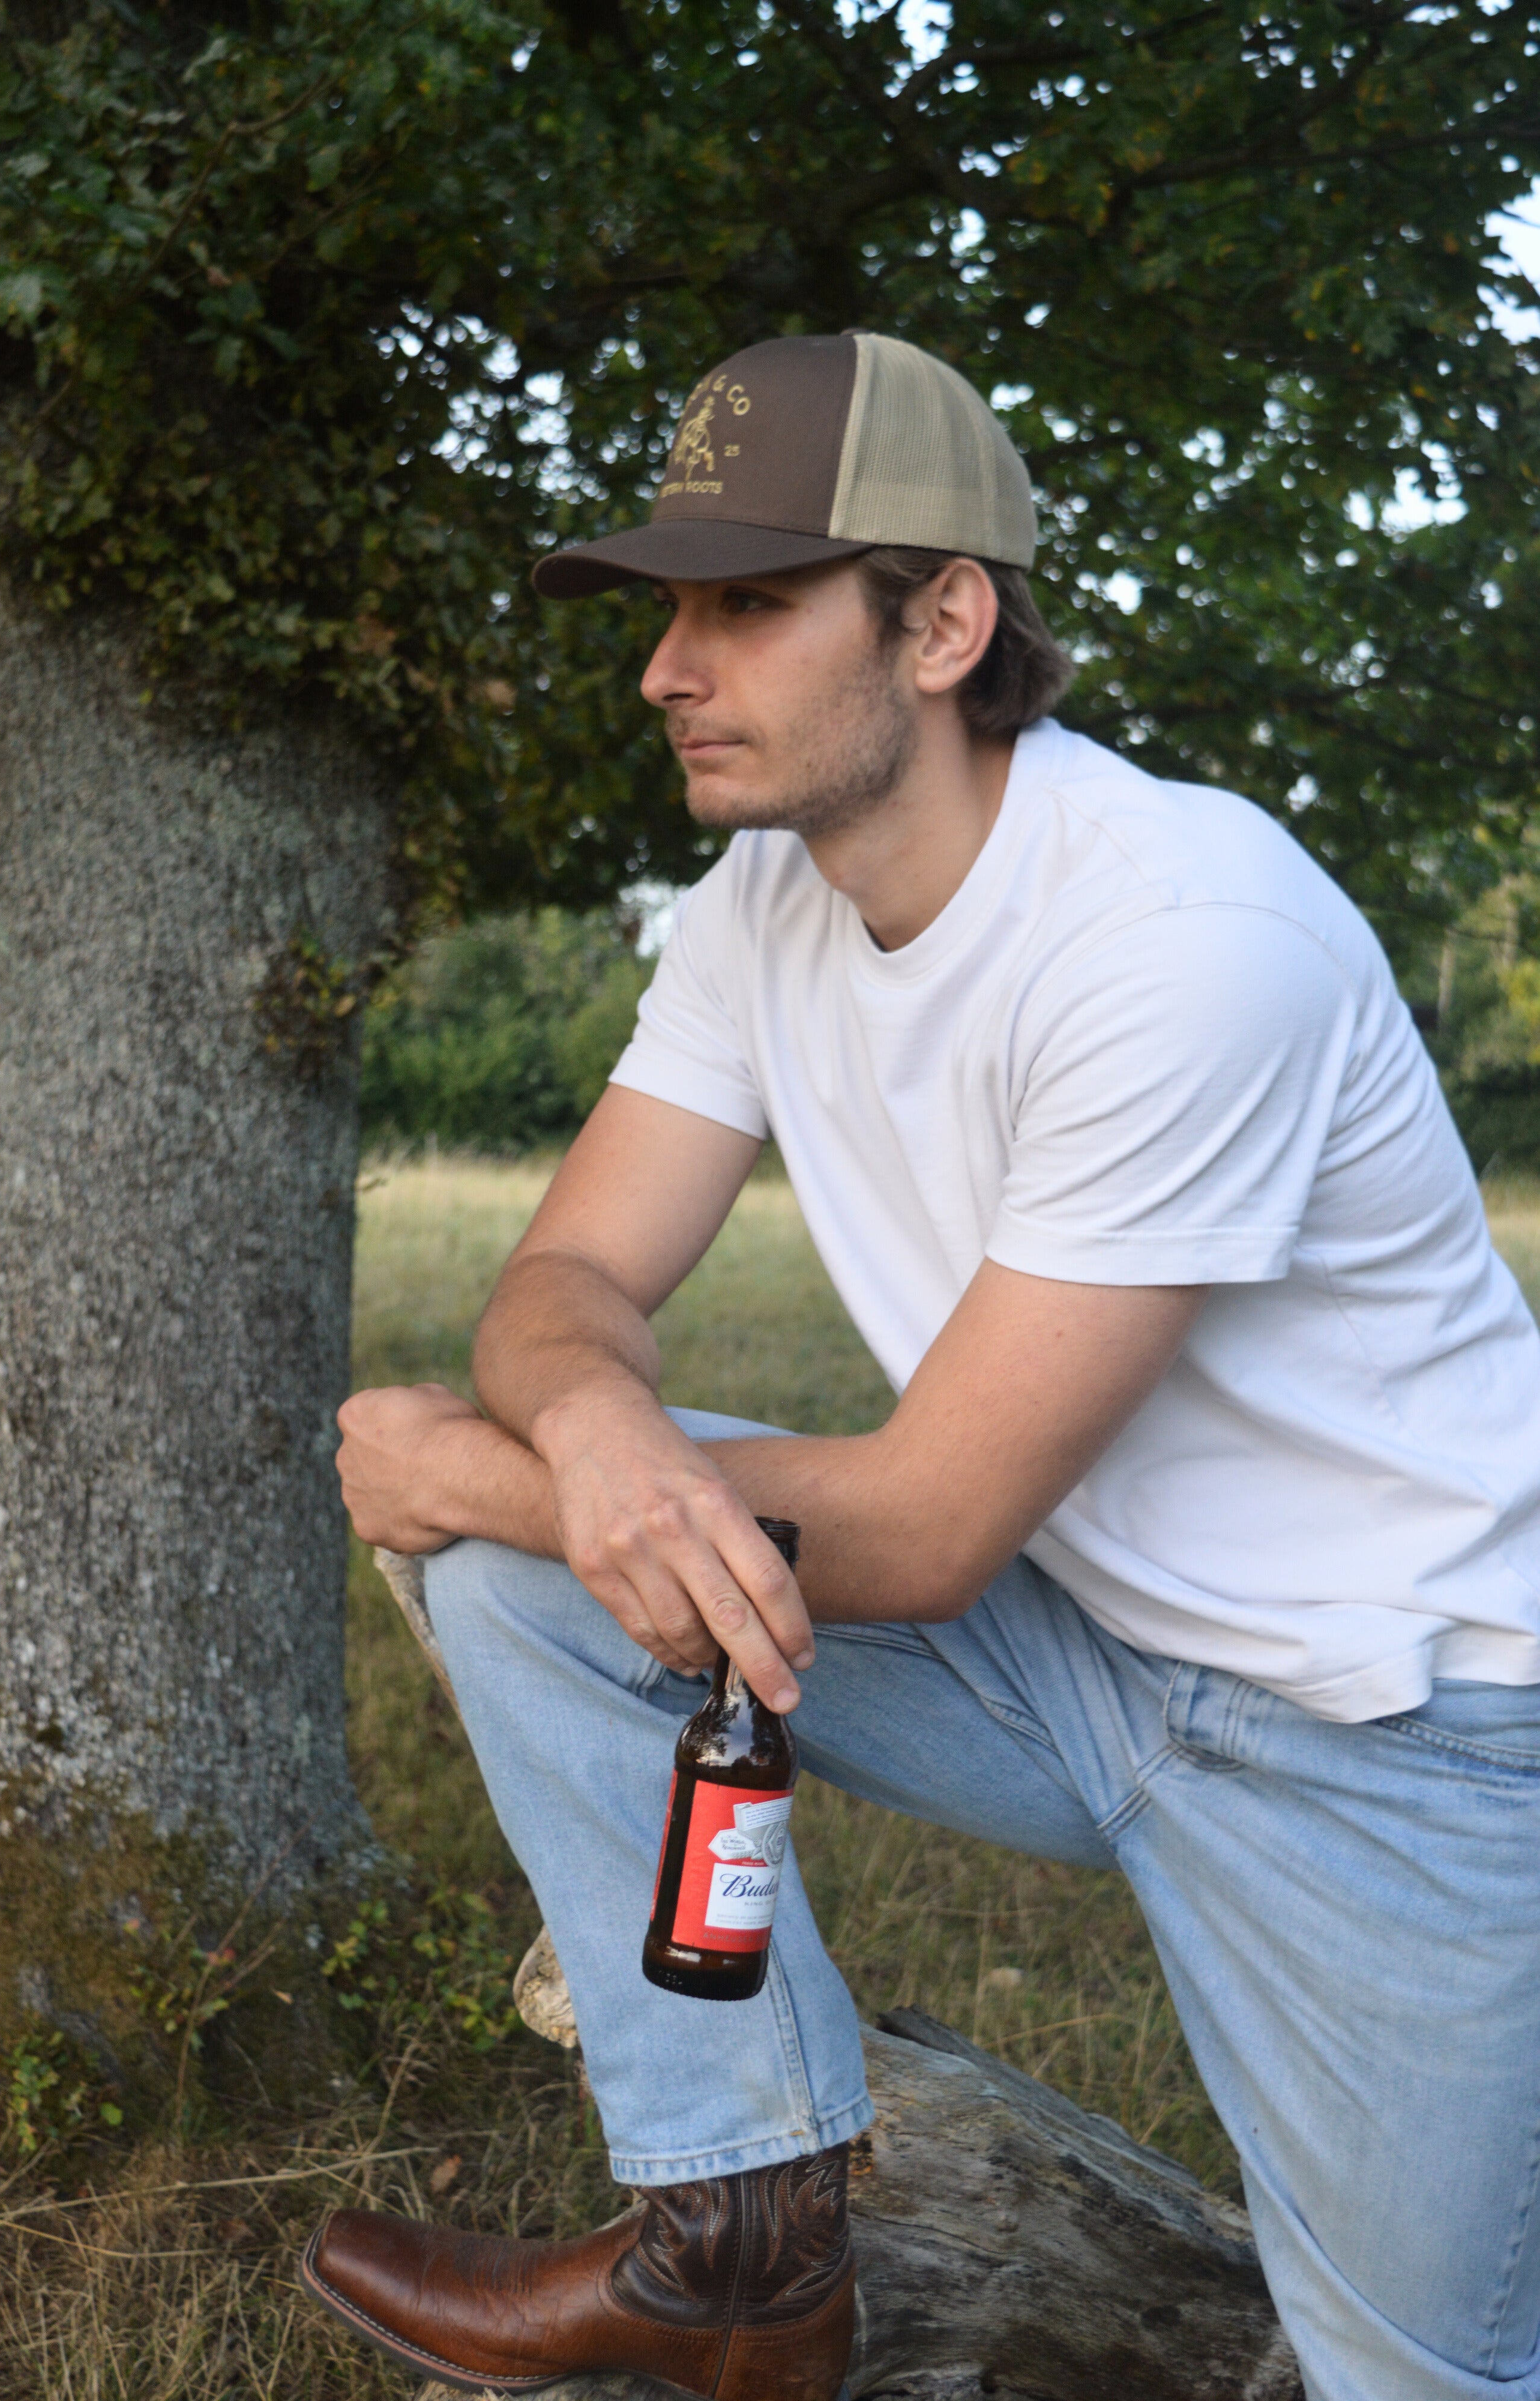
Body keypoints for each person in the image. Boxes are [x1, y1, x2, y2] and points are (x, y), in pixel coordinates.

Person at [299, 333, 1540, 2401]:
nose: (664, 670)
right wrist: (591, 1434)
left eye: (748, 604)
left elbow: (934, 1523)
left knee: (1413, 2379)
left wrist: (488, 1467)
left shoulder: (1178, 929)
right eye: (667, 609)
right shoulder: (760, 903)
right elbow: (568, 1273)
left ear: (943, 622)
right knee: (543, 1563)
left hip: (1399, 1742)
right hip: (1086, 1650)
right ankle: (746, 2241)